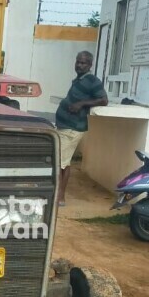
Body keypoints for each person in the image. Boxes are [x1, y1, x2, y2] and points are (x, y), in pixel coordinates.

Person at [55, 51, 107, 206]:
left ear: (90, 65)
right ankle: (58, 195)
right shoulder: (79, 79)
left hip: (73, 128)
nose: (79, 65)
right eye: (78, 62)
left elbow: (104, 100)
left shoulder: (92, 80)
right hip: (65, 127)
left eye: (83, 63)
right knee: (63, 162)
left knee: (60, 163)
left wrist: (82, 104)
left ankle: (60, 197)